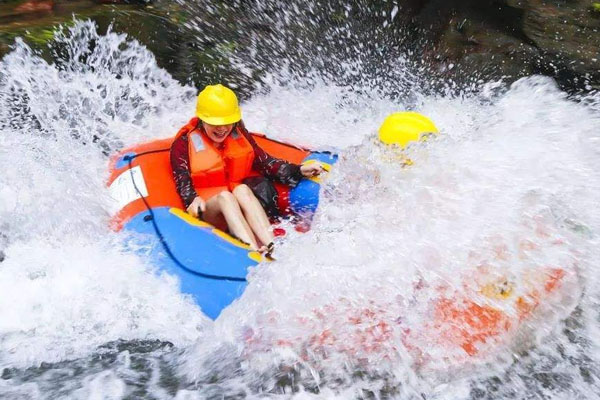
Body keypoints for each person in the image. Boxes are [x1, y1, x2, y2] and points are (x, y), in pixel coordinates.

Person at [170, 84, 324, 253]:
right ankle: (250, 251)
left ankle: (273, 245)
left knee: (242, 189)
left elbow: (265, 162)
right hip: (210, 209)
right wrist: (192, 199)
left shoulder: (239, 133)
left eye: (227, 122)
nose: (222, 129)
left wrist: (298, 170)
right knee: (225, 197)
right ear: (202, 119)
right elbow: (182, 181)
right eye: (215, 123)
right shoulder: (183, 143)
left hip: (237, 207)